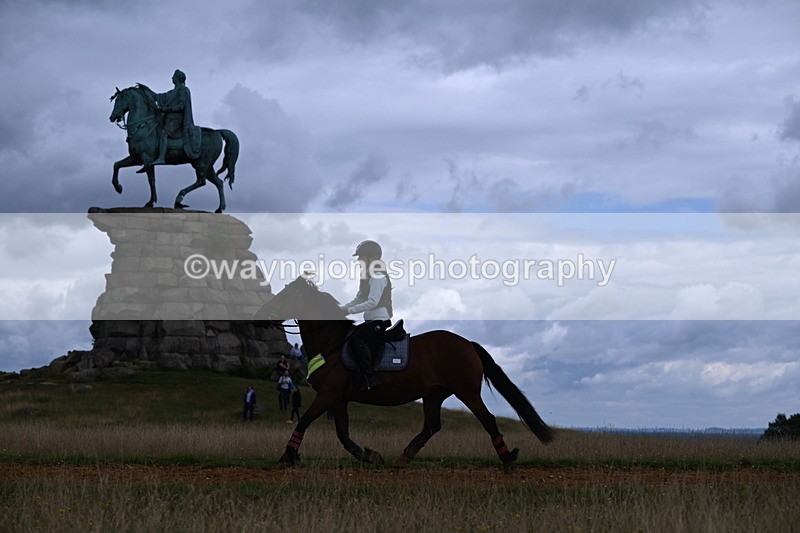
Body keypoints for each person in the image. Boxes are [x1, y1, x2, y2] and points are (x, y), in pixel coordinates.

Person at [339, 240, 393, 392]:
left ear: (372, 257)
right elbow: (359, 299)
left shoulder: (377, 276)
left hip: (379, 320)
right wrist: (340, 309)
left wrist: (349, 311)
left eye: (361, 257)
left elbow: (372, 302)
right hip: (370, 320)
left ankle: (370, 378)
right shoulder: (367, 276)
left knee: (357, 338)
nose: (359, 261)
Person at [138, 69, 201, 172]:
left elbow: (181, 106)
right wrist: (147, 89)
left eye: (174, 76)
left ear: (178, 78)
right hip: (169, 119)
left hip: (177, 120)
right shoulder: (172, 92)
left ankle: (161, 158)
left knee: (163, 132)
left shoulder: (184, 90)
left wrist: (165, 109)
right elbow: (159, 97)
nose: (172, 78)